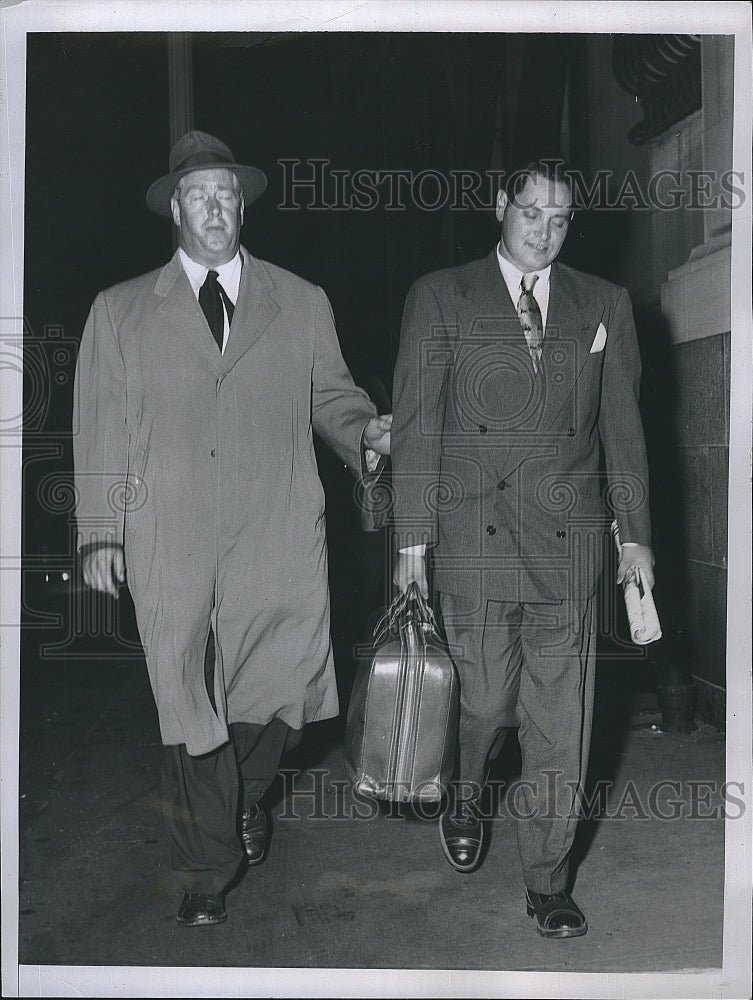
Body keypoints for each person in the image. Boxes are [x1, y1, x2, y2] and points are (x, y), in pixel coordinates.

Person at [73, 130, 391, 927]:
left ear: (241, 206)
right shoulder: (118, 311)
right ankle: (207, 865)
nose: (213, 208)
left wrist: (366, 435)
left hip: (276, 517)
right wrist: (98, 530)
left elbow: (332, 396)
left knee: (278, 684)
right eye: (197, 195)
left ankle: (246, 795)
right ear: (174, 208)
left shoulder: (300, 299)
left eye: (225, 194)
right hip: (165, 527)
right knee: (184, 689)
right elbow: (100, 426)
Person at [390, 159, 654, 938]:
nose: (544, 231)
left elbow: (623, 431)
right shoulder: (440, 295)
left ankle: (548, 878)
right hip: (472, 538)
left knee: (557, 720)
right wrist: (412, 546)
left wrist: (632, 536)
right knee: (483, 704)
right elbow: (416, 426)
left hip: (567, 543)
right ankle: (466, 790)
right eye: (531, 213)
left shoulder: (602, 303)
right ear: (499, 207)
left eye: (561, 219)